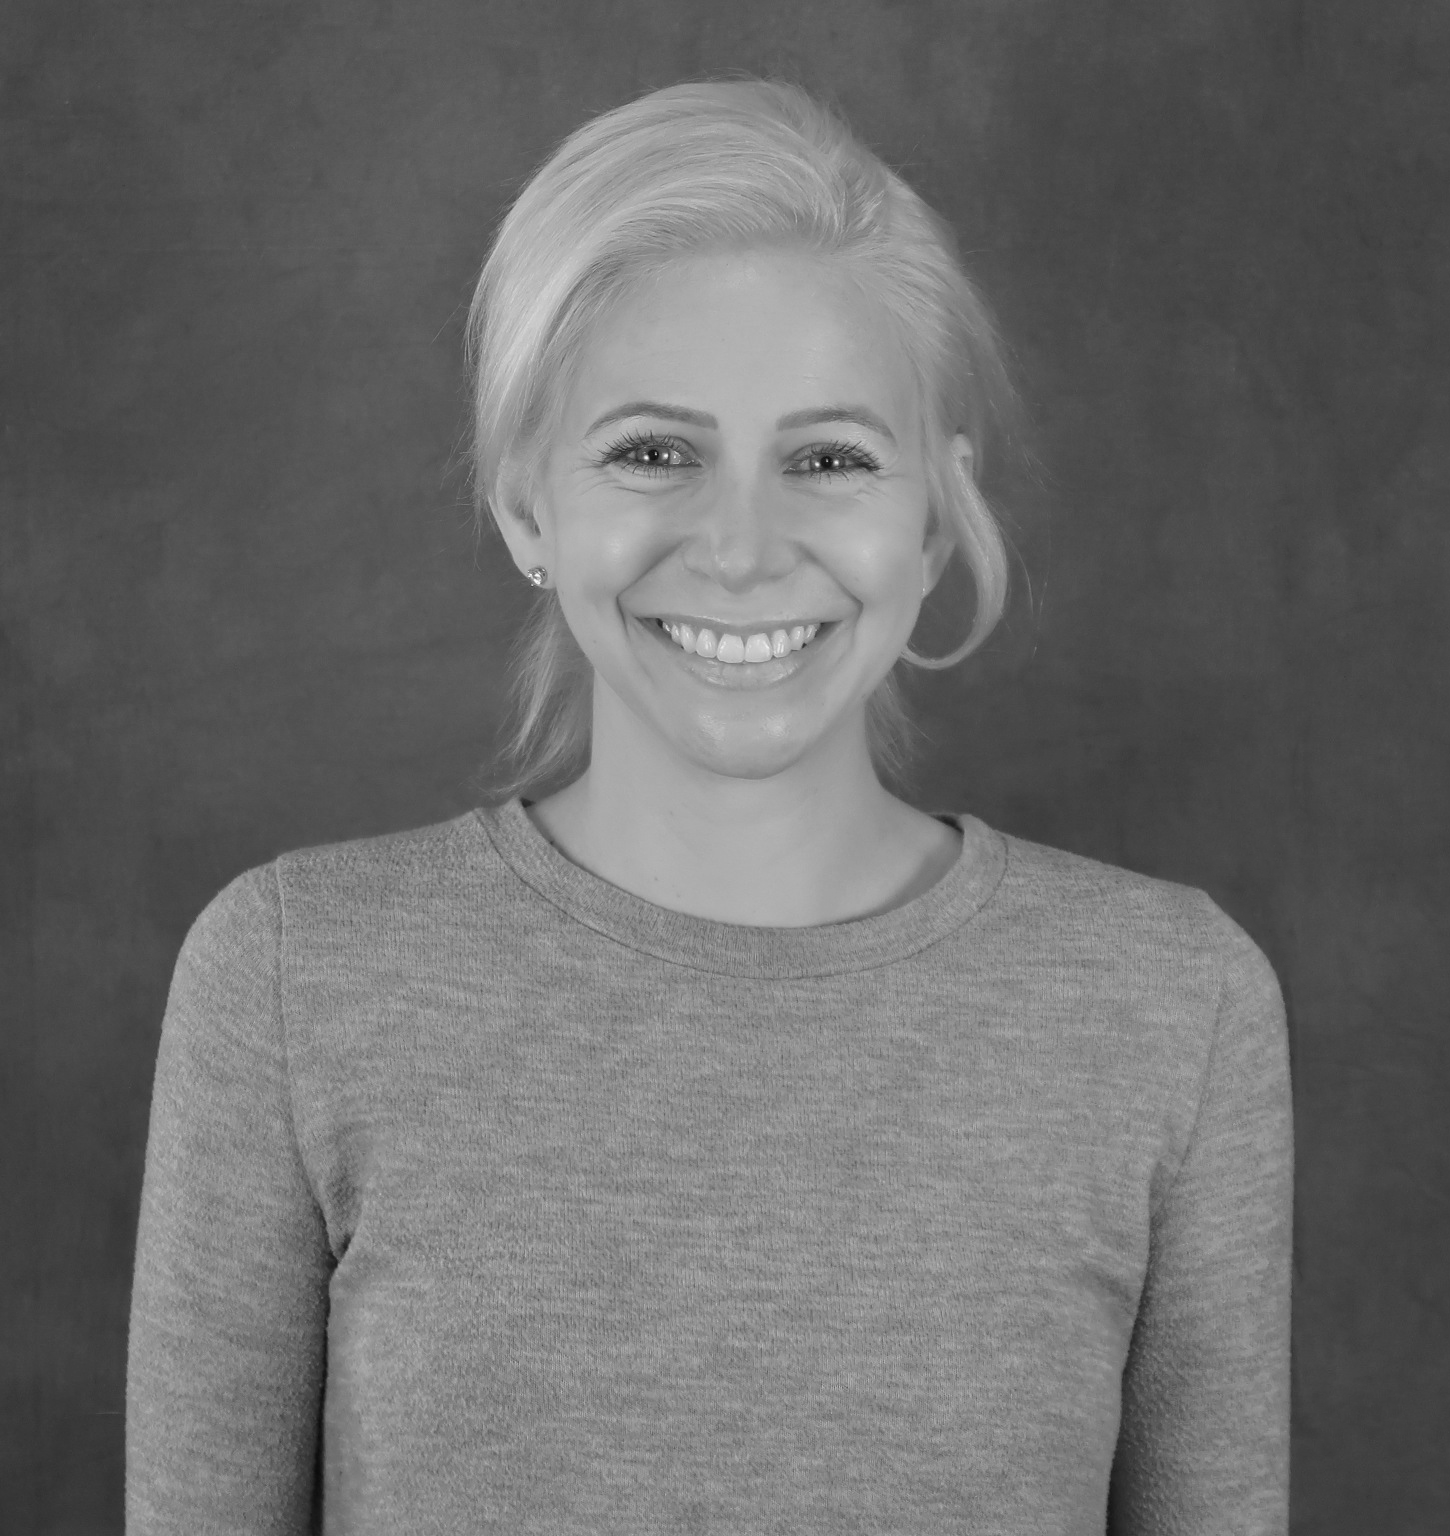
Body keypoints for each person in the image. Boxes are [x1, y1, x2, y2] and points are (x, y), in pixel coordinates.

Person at [126, 79, 1293, 1534]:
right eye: (654, 452)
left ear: (935, 517)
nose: (742, 549)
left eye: (830, 460)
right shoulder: (293, 976)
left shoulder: (1174, 1007)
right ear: (527, 503)